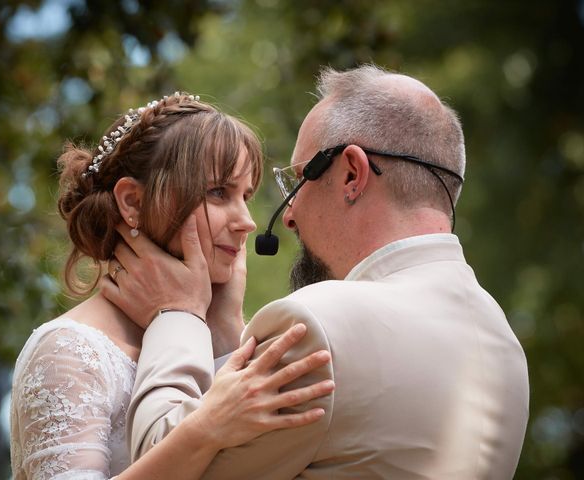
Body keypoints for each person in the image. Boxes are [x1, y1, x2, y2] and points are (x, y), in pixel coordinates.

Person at [103, 65, 530, 479]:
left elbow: (160, 456)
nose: (287, 216)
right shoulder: (504, 345)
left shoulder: (318, 324)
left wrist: (177, 312)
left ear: (351, 174)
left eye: (298, 181)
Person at [9, 92, 335, 480]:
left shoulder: (220, 329)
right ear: (132, 201)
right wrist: (204, 428)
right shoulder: (69, 351)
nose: (247, 221)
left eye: (244, 196)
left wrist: (227, 326)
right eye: (218, 192)